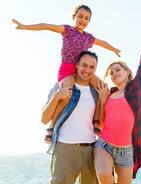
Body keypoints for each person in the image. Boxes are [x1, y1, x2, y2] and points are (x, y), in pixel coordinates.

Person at [12, 4, 121, 142]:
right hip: (68, 69)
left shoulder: (88, 38)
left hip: (83, 70)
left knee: (102, 87)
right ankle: (51, 127)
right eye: (80, 16)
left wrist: (113, 49)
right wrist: (26, 26)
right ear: (74, 17)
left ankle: (96, 121)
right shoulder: (67, 30)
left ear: (89, 21)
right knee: (67, 94)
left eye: (86, 18)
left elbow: (102, 42)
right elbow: (47, 26)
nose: (83, 20)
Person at [94, 23, 141, 184]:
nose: (115, 73)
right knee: (104, 177)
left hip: (127, 151)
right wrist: (101, 99)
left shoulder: (137, 87)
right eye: (111, 72)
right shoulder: (108, 94)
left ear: (127, 71)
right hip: (104, 145)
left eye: (118, 69)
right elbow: (100, 122)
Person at [41, 50, 102, 184]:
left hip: (90, 150)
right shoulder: (62, 85)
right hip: (64, 149)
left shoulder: (97, 91)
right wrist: (56, 97)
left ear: (95, 69)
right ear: (76, 65)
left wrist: (104, 99)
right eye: (84, 65)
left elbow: (101, 122)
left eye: (92, 67)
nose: (87, 70)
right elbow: (44, 118)